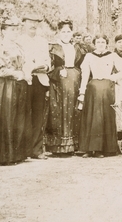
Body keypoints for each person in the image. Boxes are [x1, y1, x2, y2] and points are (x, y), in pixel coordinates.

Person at [78, 35, 122, 157]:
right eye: (98, 42)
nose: (100, 44)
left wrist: (112, 77)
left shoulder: (112, 55)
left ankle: (105, 149)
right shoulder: (89, 56)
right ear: (94, 43)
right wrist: (82, 92)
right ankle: (89, 149)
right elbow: (85, 75)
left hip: (107, 88)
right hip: (93, 88)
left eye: (103, 42)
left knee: (104, 116)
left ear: (106, 43)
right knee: (92, 117)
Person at [0, 17, 31, 166]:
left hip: (19, 85)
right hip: (5, 85)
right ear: (3, 31)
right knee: (6, 117)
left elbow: (24, 63)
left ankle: (15, 154)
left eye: (16, 29)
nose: (14, 32)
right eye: (11, 30)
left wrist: (25, 74)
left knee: (18, 117)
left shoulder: (18, 46)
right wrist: (16, 74)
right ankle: (2, 156)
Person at [46, 19, 86, 156]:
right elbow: (48, 67)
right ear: (58, 32)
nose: (66, 34)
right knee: (60, 110)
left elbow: (82, 65)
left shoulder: (77, 47)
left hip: (75, 80)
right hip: (59, 82)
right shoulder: (53, 47)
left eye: (68, 31)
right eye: (63, 32)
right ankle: (59, 146)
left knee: (74, 109)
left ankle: (73, 145)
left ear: (72, 32)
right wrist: (58, 71)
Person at [16, 14, 50, 160]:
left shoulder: (42, 41)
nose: (33, 24)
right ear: (23, 23)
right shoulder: (18, 41)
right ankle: (24, 151)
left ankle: (37, 150)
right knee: (23, 115)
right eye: (30, 21)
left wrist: (46, 66)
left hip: (40, 80)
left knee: (38, 115)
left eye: (35, 22)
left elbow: (48, 59)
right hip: (24, 80)